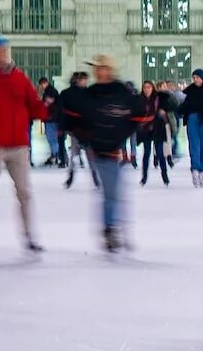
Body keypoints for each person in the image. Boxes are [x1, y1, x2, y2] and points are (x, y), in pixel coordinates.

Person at [58, 56, 150, 253]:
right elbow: (76, 115)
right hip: (100, 149)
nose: (101, 73)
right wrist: (85, 136)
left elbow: (138, 110)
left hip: (115, 146)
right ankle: (111, 229)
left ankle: (113, 228)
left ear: (111, 70)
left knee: (115, 193)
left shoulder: (120, 90)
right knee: (112, 192)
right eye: (98, 69)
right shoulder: (91, 94)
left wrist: (125, 131)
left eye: (105, 69)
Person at [0, 35, 47, 257]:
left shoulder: (20, 78)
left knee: (24, 192)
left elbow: (33, 104)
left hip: (18, 144)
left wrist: (47, 111)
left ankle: (30, 235)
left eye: (5, 51)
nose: (3, 55)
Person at [137, 78, 173, 185]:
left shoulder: (159, 99)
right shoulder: (140, 100)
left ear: (152, 88)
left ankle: (164, 176)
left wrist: (163, 112)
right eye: (145, 88)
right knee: (146, 153)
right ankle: (144, 177)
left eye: (149, 87)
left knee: (160, 153)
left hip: (157, 129)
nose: (146, 90)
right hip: (146, 130)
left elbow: (171, 105)